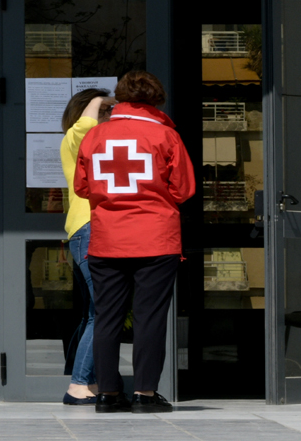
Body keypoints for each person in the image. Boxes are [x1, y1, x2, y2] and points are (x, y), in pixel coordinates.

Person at [74, 70, 195, 414]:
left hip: (107, 239)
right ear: (156, 100)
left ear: (121, 98)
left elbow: (82, 187)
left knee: (107, 317)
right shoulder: (165, 135)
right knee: (149, 319)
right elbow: (184, 189)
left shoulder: (95, 136)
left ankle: (108, 395)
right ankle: (144, 393)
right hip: (155, 240)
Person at [59, 88, 113, 405]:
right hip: (89, 229)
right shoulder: (75, 140)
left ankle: (84, 379)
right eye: (107, 111)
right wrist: (100, 101)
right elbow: (85, 127)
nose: (112, 117)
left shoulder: (100, 146)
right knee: (105, 310)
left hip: (90, 231)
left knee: (94, 313)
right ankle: (79, 384)